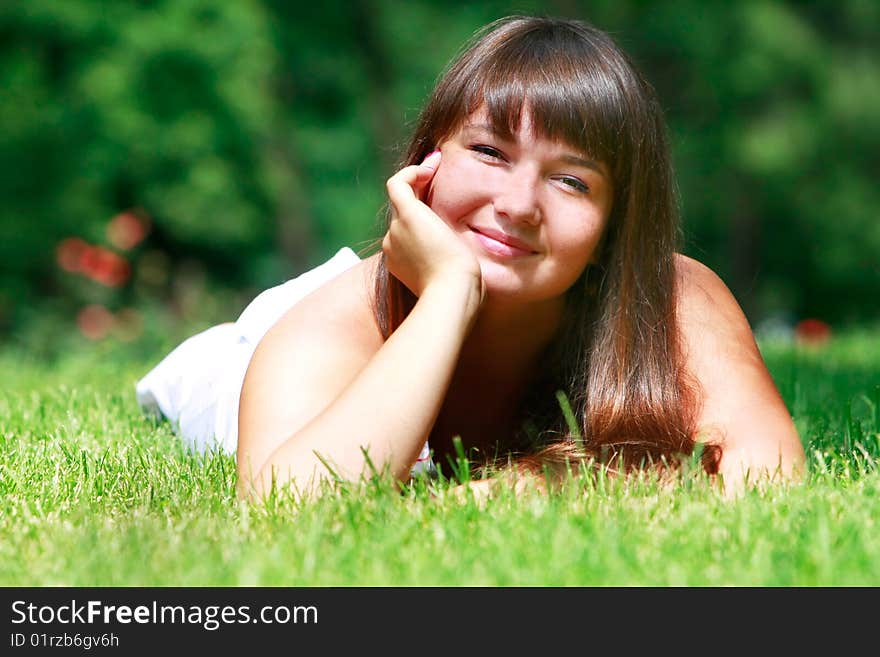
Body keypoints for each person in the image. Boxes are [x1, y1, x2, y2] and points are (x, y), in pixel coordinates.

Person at [136, 15, 806, 502]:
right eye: (489, 152)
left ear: (613, 225)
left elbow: (770, 472)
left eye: (571, 181)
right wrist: (450, 289)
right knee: (202, 371)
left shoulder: (673, 294)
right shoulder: (337, 319)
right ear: (427, 160)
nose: (518, 204)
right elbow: (292, 508)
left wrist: (512, 490)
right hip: (248, 355)